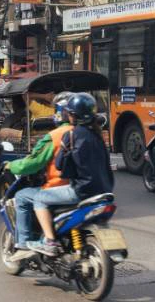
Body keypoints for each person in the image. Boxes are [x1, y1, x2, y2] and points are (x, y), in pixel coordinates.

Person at [27, 92, 114, 257]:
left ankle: (50, 241)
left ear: (72, 115)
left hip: (81, 190)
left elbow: (60, 165)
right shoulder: (98, 135)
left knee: (39, 198)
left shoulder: (72, 135)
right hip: (106, 190)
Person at [7, 91, 75, 262]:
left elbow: (34, 163)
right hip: (92, 188)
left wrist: (11, 165)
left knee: (22, 196)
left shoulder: (56, 135)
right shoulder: (90, 132)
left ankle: (24, 244)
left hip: (62, 187)